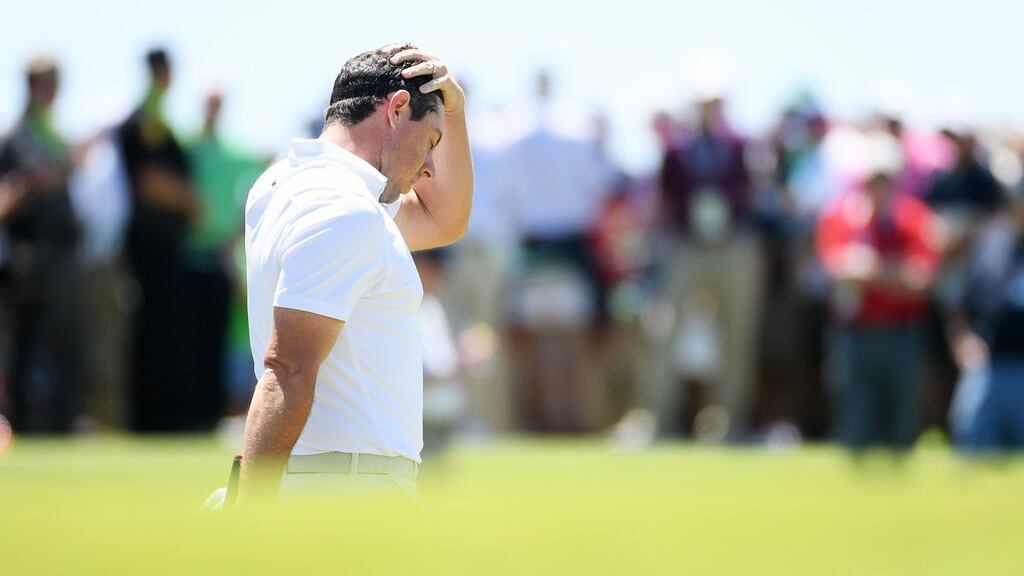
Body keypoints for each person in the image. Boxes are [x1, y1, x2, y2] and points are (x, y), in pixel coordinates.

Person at [236, 43, 471, 503]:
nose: (428, 167)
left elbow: (445, 220)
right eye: (430, 141)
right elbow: (288, 368)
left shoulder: (279, 185)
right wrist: (249, 510)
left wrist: (455, 110)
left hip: (321, 481)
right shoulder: (345, 211)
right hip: (347, 490)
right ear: (397, 108)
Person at [816, 151, 942, 455]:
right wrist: (894, 273)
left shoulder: (915, 218)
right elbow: (835, 270)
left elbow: (921, 282)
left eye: (886, 181)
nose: (880, 189)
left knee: (902, 425)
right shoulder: (840, 217)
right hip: (855, 334)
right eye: (874, 181)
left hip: (903, 333)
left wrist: (871, 272)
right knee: (855, 426)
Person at [118, 48, 198, 432]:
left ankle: (163, 417)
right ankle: (152, 420)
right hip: (150, 245)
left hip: (165, 245)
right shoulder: (148, 119)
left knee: (166, 332)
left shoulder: (162, 118)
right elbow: (149, 182)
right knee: (152, 333)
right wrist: (189, 200)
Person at [0, 56, 81, 433]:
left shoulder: (54, 137)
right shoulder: (16, 138)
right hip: (28, 259)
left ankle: (62, 428)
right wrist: (32, 183)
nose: (53, 92)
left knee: (65, 348)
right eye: (47, 83)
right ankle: (20, 427)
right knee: (25, 349)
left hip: (62, 257)